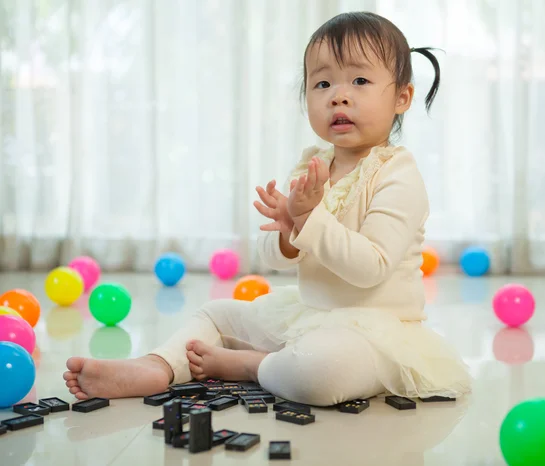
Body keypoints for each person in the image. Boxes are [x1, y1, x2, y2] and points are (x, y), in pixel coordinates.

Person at [63, 11, 471, 406]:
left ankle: (252, 366)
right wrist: (287, 231)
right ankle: (157, 366)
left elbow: (371, 268)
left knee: (320, 371)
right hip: (312, 315)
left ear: (402, 97)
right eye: (322, 83)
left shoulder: (397, 173)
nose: (338, 95)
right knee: (218, 312)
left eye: (360, 80)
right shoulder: (314, 165)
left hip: (377, 333)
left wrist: (310, 219)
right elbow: (278, 260)